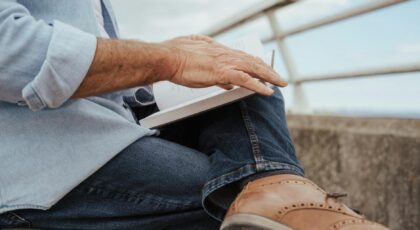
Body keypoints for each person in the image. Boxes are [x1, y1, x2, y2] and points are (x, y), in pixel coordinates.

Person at [0, 1, 388, 229]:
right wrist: (169, 60)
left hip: (97, 125)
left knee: (241, 73)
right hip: (45, 164)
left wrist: (159, 63)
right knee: (230, 197)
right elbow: (12, 52)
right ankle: (275, 197)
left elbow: (76, 73)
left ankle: (275, 185)